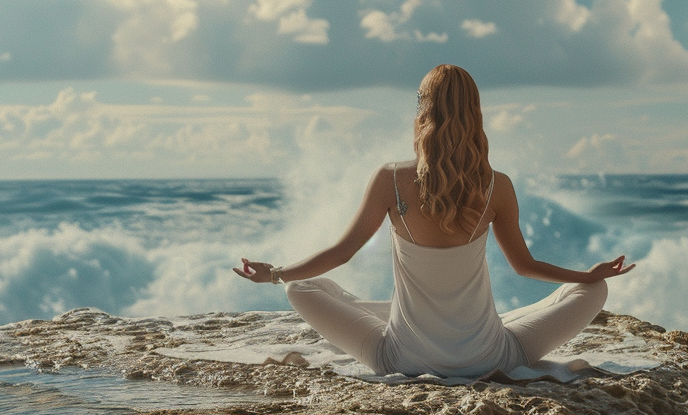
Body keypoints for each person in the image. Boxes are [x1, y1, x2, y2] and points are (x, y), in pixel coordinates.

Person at [235, 64, 635, 377]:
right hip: (491, 358)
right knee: (594, 291)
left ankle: (395, 313)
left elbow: (342, 252)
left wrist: (275, 274)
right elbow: (525, 267)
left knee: (300, 288)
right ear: (475, 112)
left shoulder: (390, 179)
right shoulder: (497, 186)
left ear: (424, 109)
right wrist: (587, 275)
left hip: (401, 359)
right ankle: (442, 317)